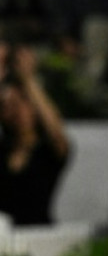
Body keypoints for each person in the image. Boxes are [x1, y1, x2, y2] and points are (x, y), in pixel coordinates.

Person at [0, 44, 70, 225]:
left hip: (37, 231)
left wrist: (28, 80)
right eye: (8, 106)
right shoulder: (4, 149)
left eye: (22, 102)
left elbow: (56, 130)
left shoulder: (47, 151)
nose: (16, 111)